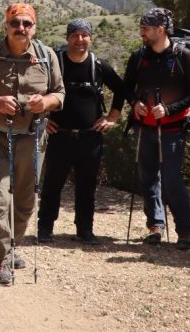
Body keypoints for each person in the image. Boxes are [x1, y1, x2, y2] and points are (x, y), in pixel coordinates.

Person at [0, 3, 64, 285]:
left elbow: (60, 93)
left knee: (25, 200)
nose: (21, 28)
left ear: (34, 26)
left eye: (27, 24)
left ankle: (12, 247)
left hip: (33, 138)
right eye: (15, 23)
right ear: (6, 26)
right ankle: (1, 260)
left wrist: (45, 102)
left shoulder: (46, 56)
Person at [115, 7, 190, 249]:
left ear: (160, 29)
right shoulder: (139, 56)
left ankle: (184, 231)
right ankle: (155, 226)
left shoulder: (183, 56)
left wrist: (171, 109)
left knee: (172, 179)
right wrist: (135, 103)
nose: (141, 32)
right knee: (147, 177)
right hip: (145, 127)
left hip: (173, 128)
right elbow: (126, 87)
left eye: (146, 28)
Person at [38, 19, 128, 244]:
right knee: (52, 184)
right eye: (75, 35)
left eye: (84, 35)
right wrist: (42, 119)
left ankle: (85, 230)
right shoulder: (55, 64)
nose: (80, 40)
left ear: (90, 38)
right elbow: (35, 90)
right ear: (67, 38)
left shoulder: (98, 65)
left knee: (87, 186)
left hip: (90, 137)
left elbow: (121, 89)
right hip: (60, 135)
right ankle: (45, 228)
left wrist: (112, 118)